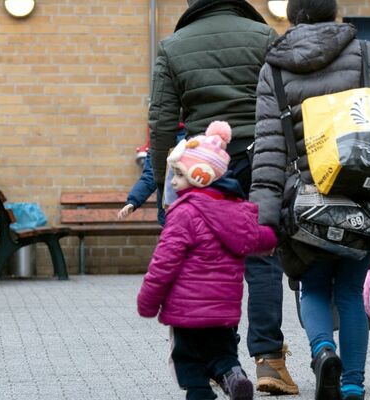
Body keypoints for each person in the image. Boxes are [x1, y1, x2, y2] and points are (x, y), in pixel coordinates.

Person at [249, 1, 370, 398]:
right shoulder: (365, 54)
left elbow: (269, 146)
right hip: (361, 195)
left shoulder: (274, 68)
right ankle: (352, 384)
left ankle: (323, 352)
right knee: (351, 291)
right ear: (334, 13)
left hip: (305, 203)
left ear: (292, 17)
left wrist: (264, 216)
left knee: (314, 287)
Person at [147, 1, 298, 394]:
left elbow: (161, 122)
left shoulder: (172, 46)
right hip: (262, 158)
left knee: (209, 260)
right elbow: (288, 103)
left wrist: (164, 180)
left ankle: (223, 361)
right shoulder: (263, 35)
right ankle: (269, 360)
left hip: (206, 166)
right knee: (263, 256)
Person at [137, 121, 277, 400]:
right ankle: (234, 375)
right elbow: (257, 238)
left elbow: (164, 262)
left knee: (190, 366)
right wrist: (272, 238)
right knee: (223, 355)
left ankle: (201, 393)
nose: (173, 182)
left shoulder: (183, 213)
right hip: (223, 312)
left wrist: (148, 301)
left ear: (199, 176)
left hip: (186, 312)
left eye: (179, 175)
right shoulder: (236, 210)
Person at [118, 127, 186, 226]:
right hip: (169, 215)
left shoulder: (195, 137)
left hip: (189, 211)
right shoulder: (160, 139)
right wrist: (133, 201)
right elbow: (150, 176)